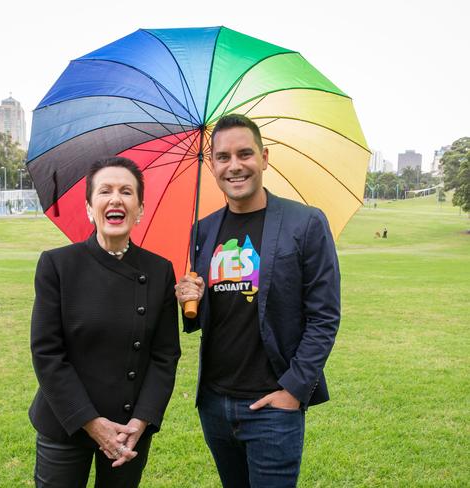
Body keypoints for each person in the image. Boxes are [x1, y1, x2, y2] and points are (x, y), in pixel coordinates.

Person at [175, 114, 341, 487]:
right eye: (223, 157)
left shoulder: (306, 223)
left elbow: (324, 317)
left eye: (244, 153)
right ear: (212, 164)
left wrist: (293, 392)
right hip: (215, 404)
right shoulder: (202, 230)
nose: (234, 165)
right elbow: (208, 316)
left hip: (273, 408)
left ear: (264, 158)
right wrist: (190, 299)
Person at [29, 157, 181, 488]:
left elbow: (165, 356)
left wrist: (140, 422)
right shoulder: (57, 265)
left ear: (139, 208)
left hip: (129, 430)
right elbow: (47, 353)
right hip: (66, 421)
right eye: (105, 191)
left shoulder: (160, 270)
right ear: (89, 207)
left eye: (126, 192)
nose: (116, 199)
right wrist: (91, 422)